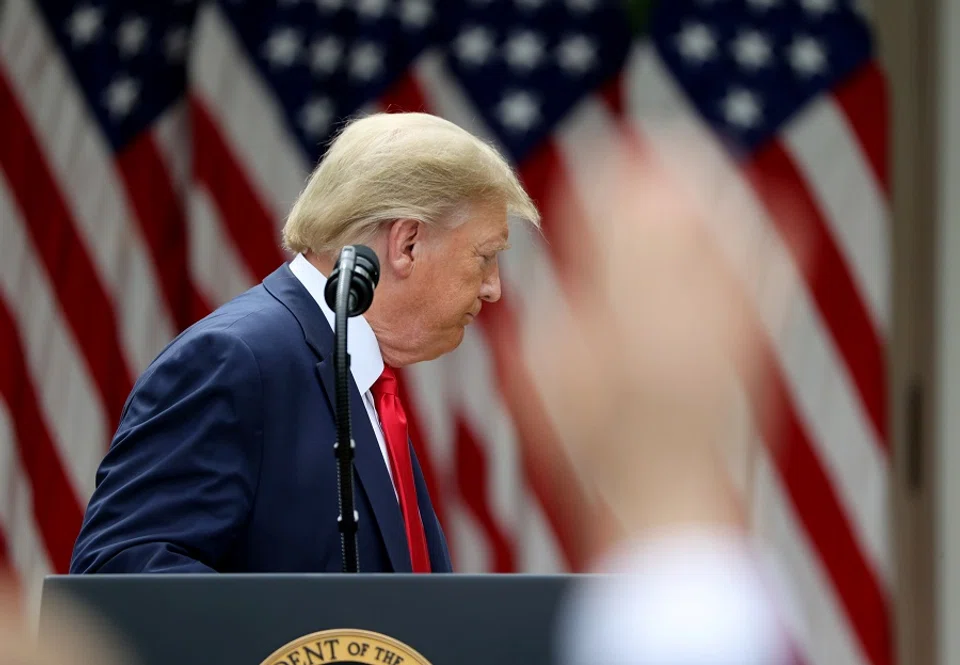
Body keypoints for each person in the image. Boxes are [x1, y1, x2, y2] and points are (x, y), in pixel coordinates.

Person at [69, 112, 540, 575]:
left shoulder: (361, 379)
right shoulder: (233, 360)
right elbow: (119, 571)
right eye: (484, 257)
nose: (493, 288)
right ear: (407, 244)